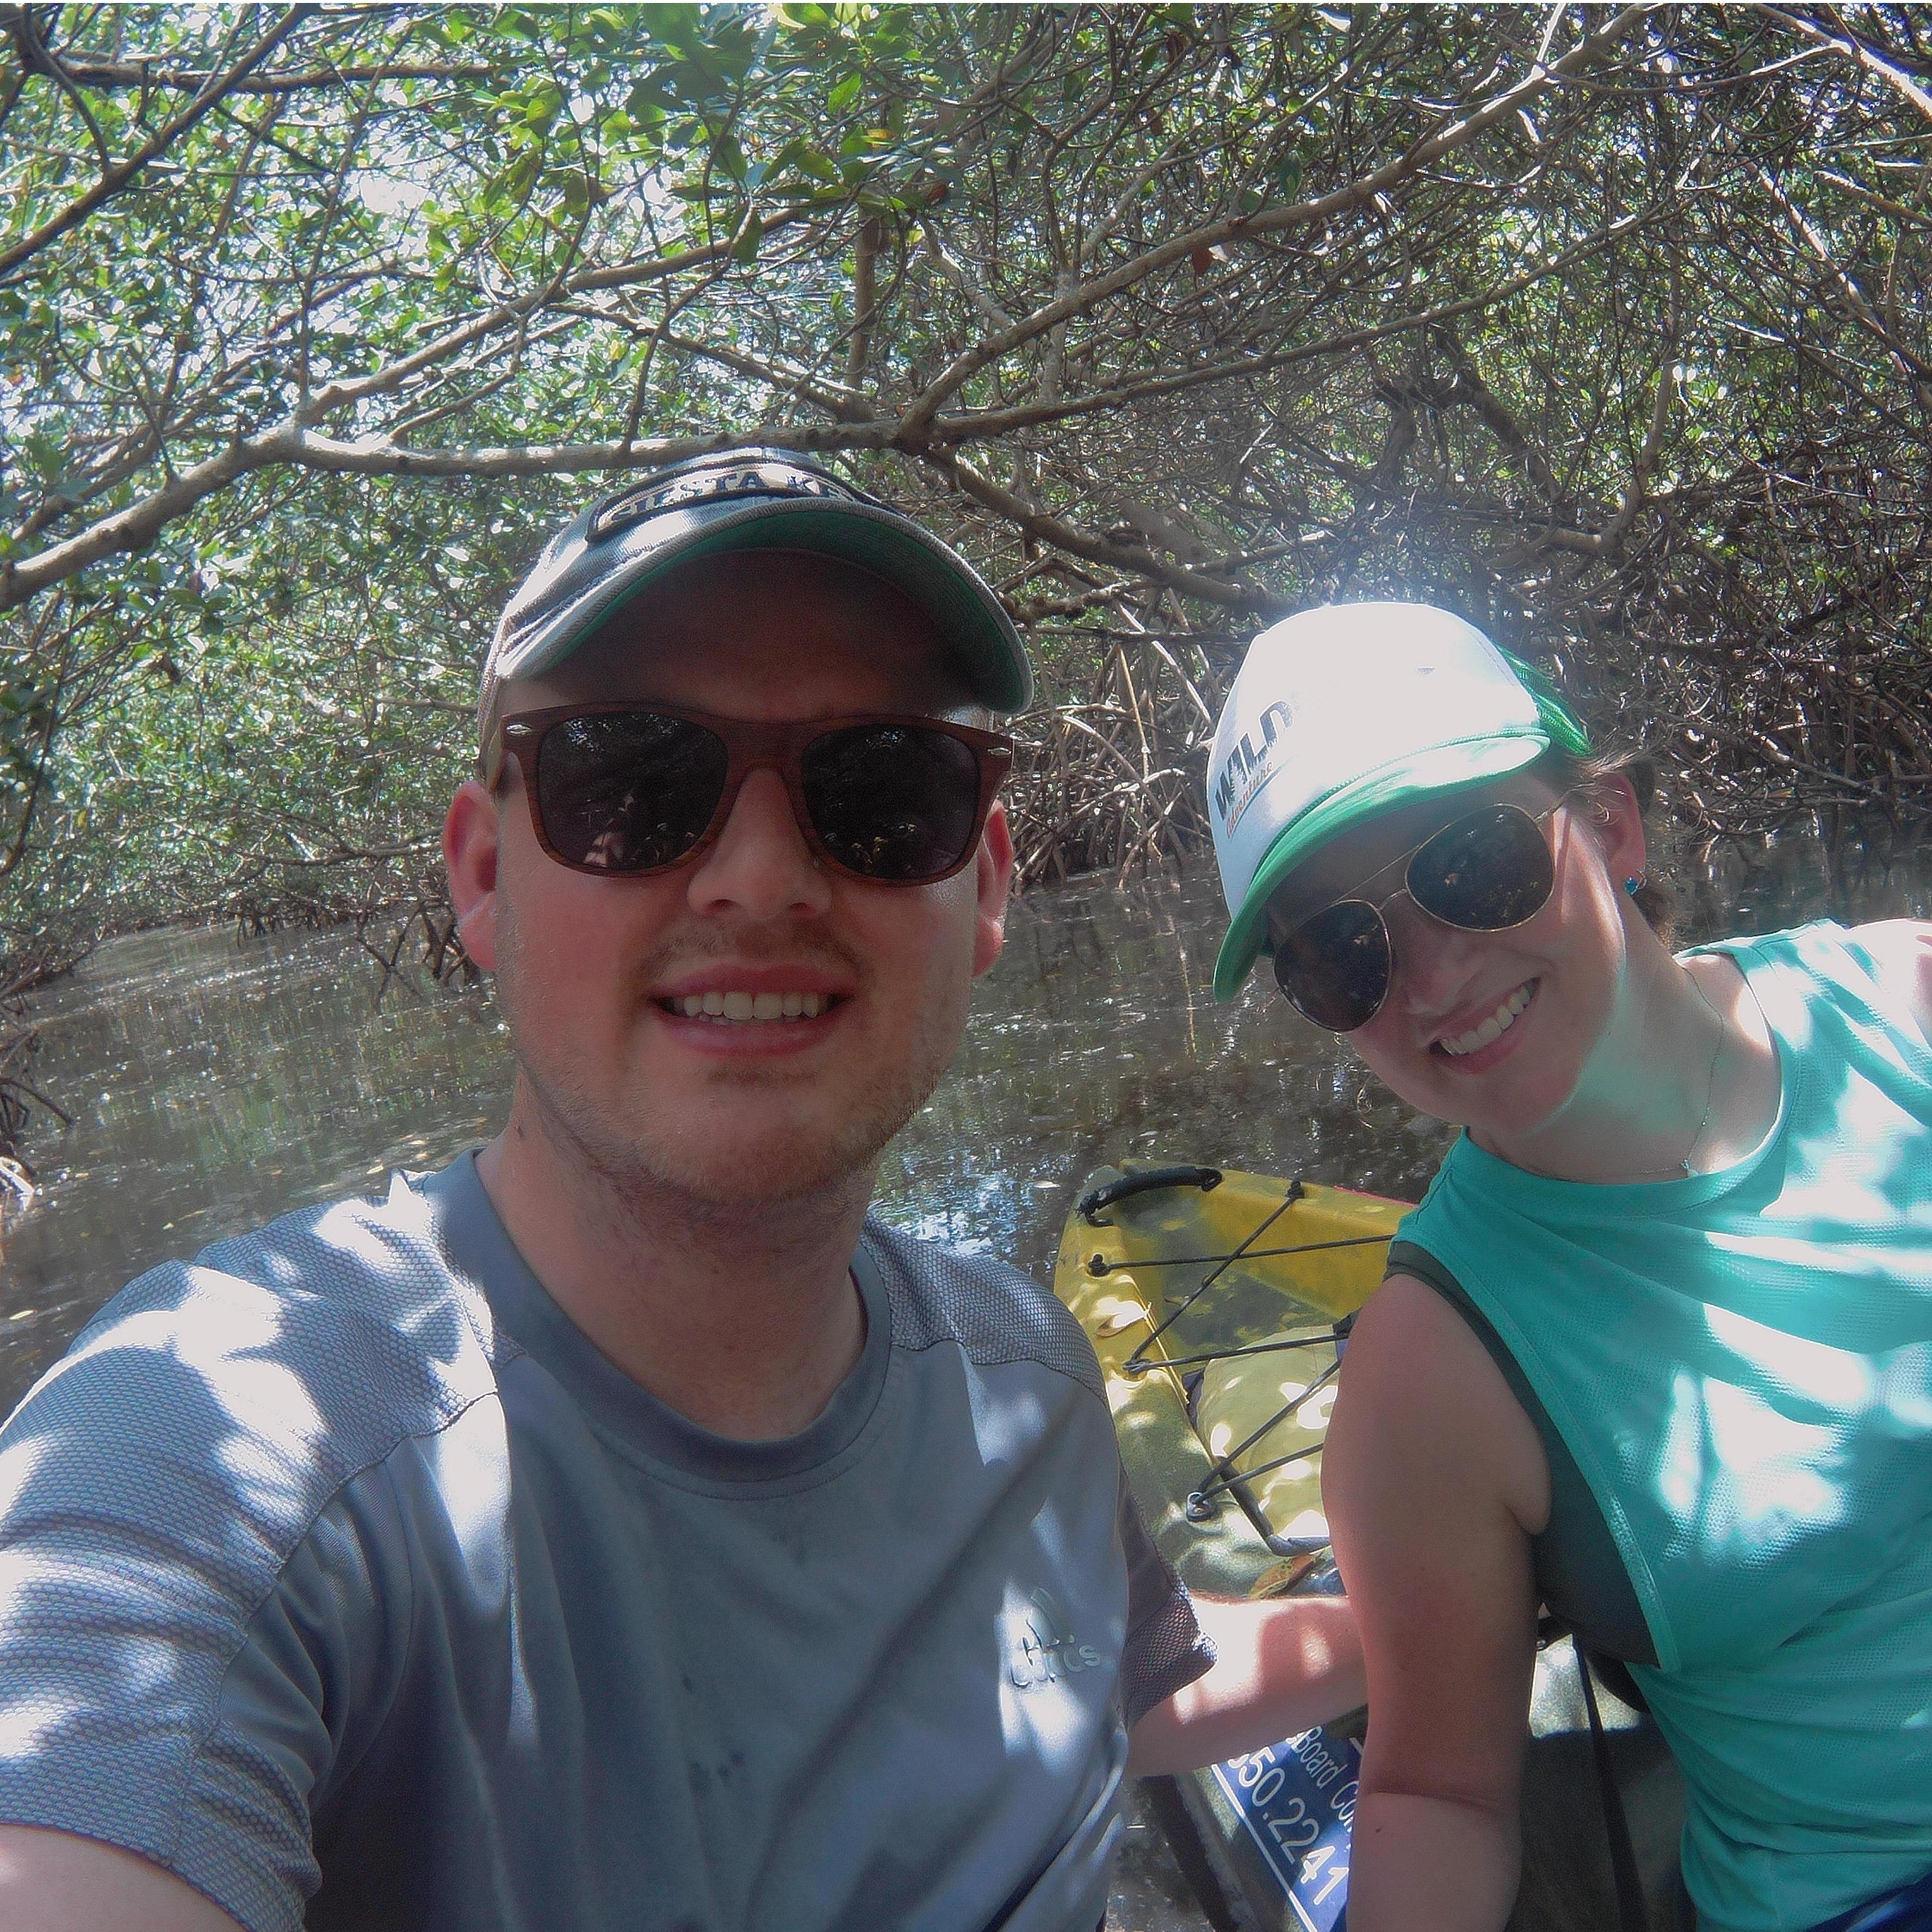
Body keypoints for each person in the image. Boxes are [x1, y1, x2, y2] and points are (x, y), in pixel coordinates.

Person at [0, 449, 1364, 1932]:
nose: (761, 877)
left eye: (882, 785)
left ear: (982, 885)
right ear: (480, 873)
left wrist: (1436, 1614)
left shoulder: (1025, 1381)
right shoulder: (214, 1449)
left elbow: (1118, 1682)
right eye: (633, 782)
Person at [1204, 599, 1932, 1932]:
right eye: (1339, 954)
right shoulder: (1431, 1372)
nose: (1428, 979)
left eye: (1472, 866)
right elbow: (1441, 1797)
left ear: (1612, 827)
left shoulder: (1906, 1004)